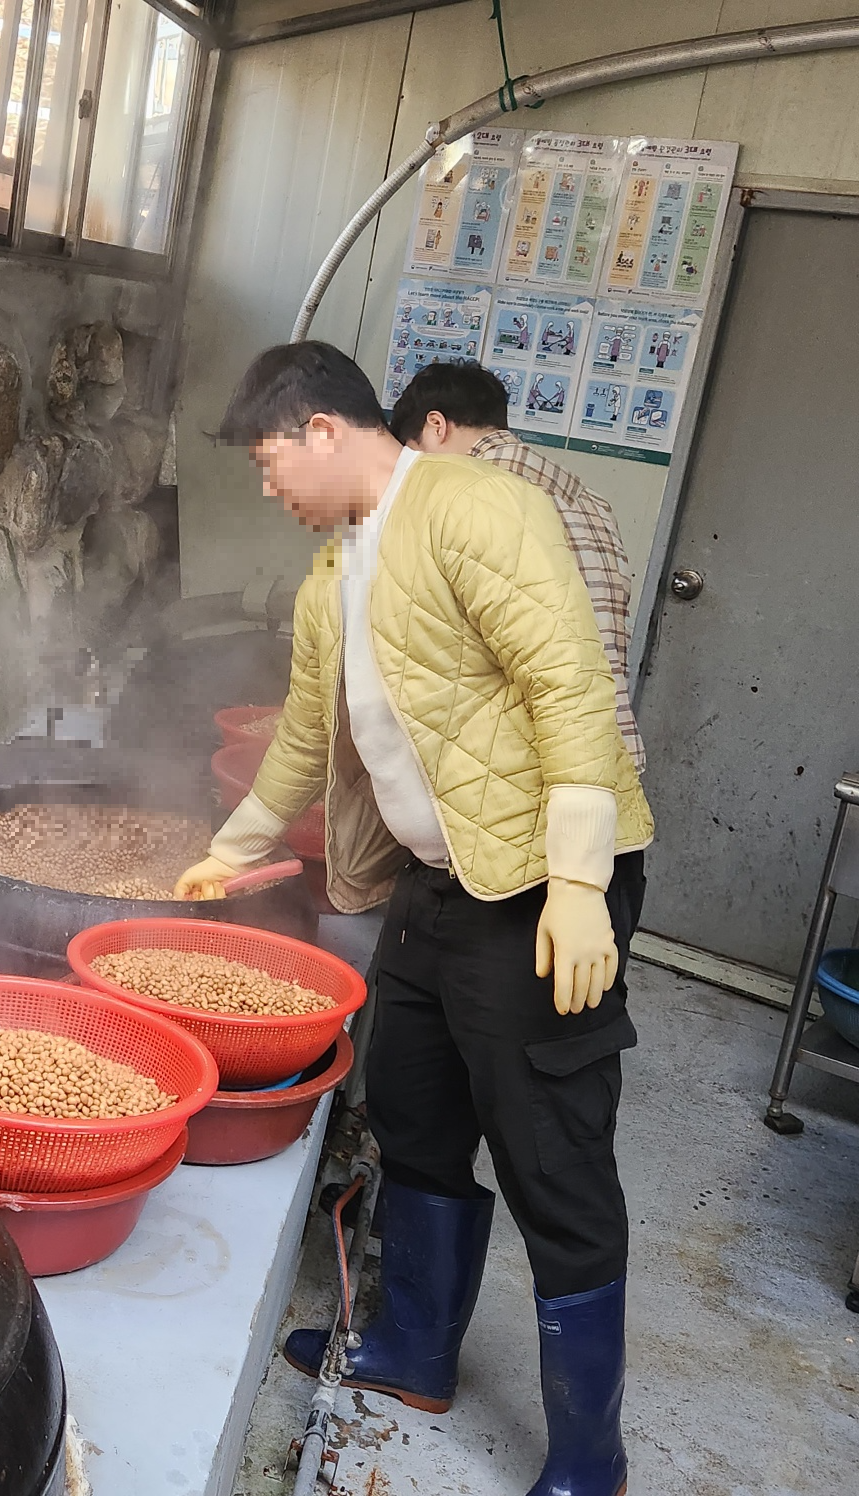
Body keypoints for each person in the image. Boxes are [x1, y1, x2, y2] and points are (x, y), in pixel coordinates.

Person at [175, 343, 652, 1496]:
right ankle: (412, 1348)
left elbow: (568, 682)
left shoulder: (475, 506)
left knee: (550, 1153)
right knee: (413, 1105)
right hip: (438, 881)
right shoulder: (333, 570)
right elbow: (301, 738)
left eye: (265, 458)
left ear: (321, 427)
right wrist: (226, 851)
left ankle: (590, 1456)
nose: (264, 486)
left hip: (540, 886)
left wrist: (581, 882)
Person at [388, 360, 645, 772]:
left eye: (413, 456)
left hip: (525, 769)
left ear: (436, 426)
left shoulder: (464, 494)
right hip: (610, 753)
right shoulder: (592, 503)